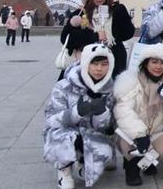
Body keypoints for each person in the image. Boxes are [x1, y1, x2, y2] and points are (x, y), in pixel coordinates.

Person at [44, 44, 116, 189]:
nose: (99, 69)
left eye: (104, 64)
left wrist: (101, 113)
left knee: (105, 152)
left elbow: (108, 128)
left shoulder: (109, 89)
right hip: (65, 132)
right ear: (85, 63)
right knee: (65, 140)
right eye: (94, 63)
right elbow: (51, 119)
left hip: (91, 134)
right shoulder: (64, 86)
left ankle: (84, 162)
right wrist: (76, 112)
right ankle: (64, 170)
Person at [114, 44, 163, 186]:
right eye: (154, 62)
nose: (158, 66)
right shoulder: (131, 82)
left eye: (162, 63)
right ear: (145, 63)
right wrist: (140, 134)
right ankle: (131, 167)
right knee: (130, 148)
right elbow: (123, 112)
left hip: (155, 131)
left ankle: (146, 160)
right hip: (132, 134)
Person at [62, 0, 135, 78]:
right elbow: (65, 38)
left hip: (113, 61)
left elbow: (128, 34)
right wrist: (95, 36)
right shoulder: (81, 13)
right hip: (86, 63)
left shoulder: (116, 11)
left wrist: (120, 13)